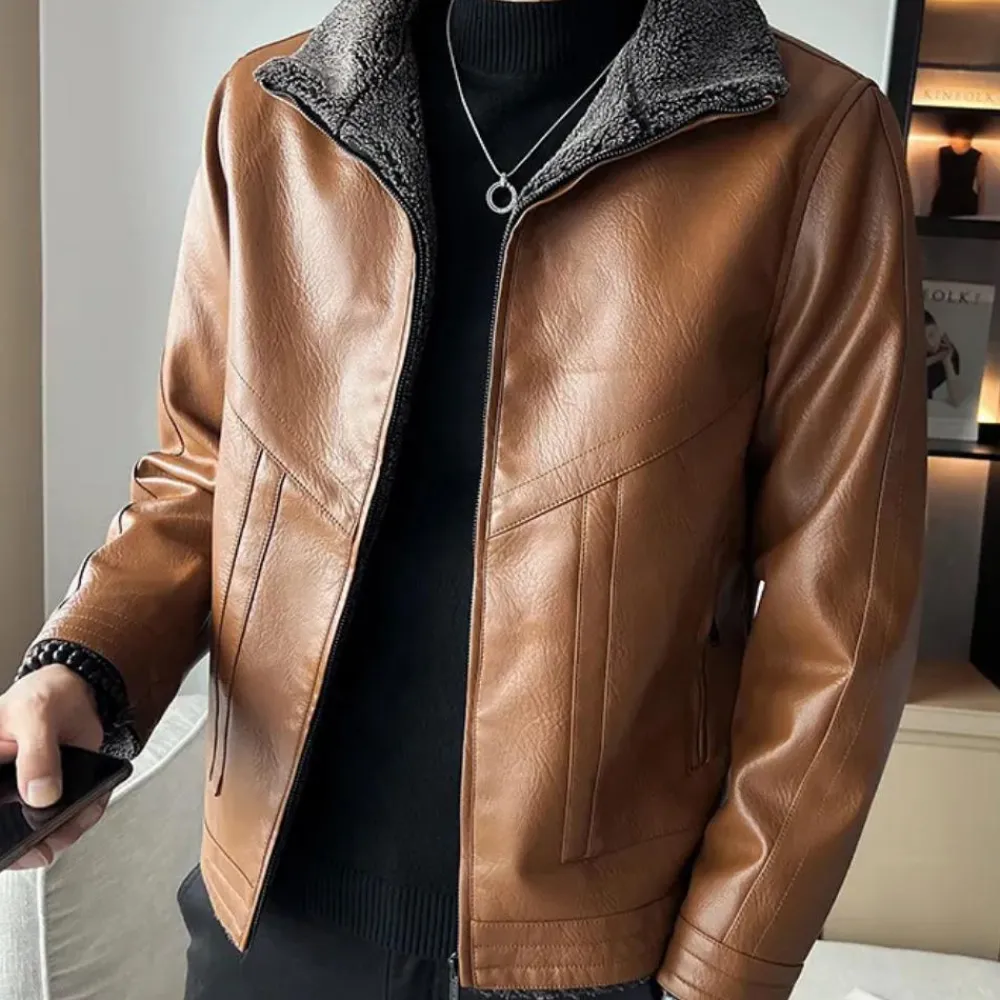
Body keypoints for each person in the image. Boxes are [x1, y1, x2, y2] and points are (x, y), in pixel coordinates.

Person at [0, 0, 927, 998]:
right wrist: (85, 664)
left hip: (595, 953)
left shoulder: (810, 140)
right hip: (274, 923)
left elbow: (841, 616)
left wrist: (719, 970)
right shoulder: (273, 113)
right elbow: (209, 473)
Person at [930, 117, 985, 218]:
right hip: (946, 201)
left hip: (963, 202)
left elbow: (981, 185)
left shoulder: (976, 155)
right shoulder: (943, 152)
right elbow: (936, 180)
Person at [925, 309, 963, 407]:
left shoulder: (948, 350)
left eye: (931, 335)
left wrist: (946, 361)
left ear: (938, 328)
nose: (930, 344)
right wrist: (937, 357)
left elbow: (957, 400)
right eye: (922, 340)